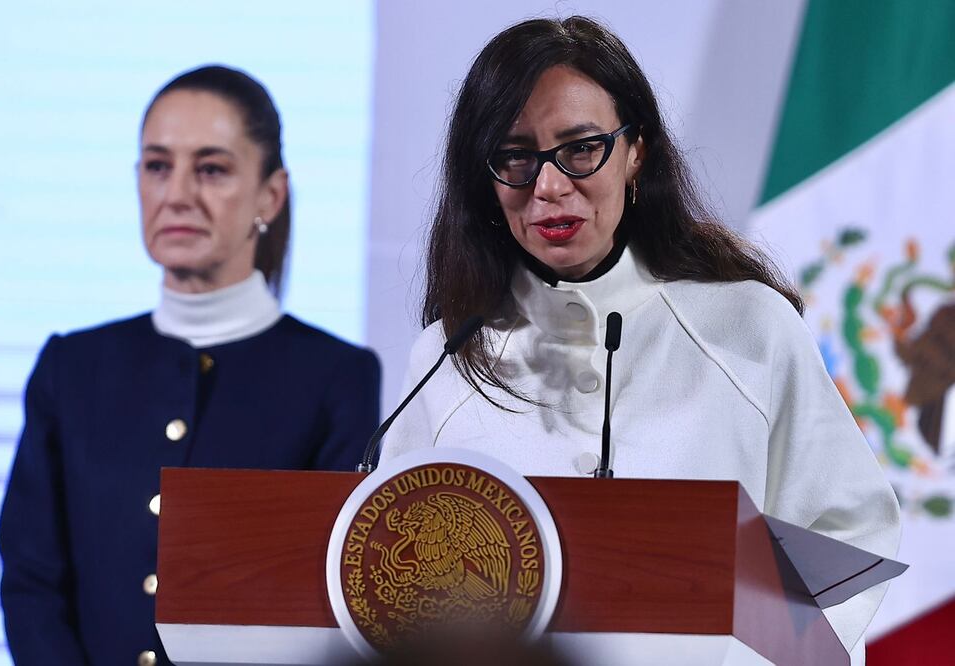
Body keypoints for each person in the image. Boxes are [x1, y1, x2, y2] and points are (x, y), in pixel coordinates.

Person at [380, 16, 900, 664]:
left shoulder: (747, 327)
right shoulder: (445, 360)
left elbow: (847, 534)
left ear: (635, 152)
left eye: (579, 148)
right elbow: (387, 581)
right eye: (515, 157)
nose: (547, 186)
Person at [0, 65, 381, 666]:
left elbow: (327, 608)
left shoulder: (336, 377)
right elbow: (31, 581)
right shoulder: (70, 368)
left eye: (211, 169)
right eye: (157, 166)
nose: (176, 193)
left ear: (270, 195)